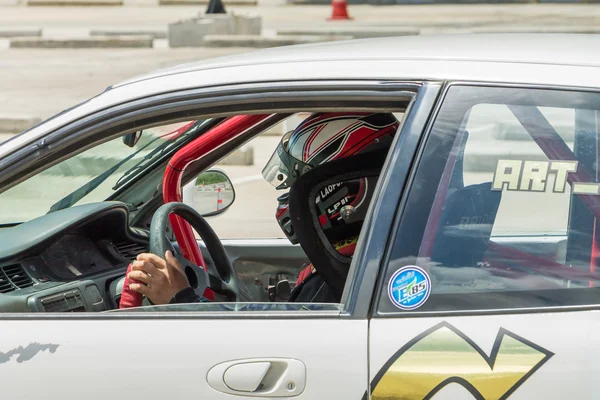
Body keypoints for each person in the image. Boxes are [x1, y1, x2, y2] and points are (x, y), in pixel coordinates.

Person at [123, 112, 399, 306]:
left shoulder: (340, 281)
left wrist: (180, 299)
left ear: (341, 189)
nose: (289, 197)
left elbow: (270, 358)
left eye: (297, 182)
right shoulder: (363, 258)